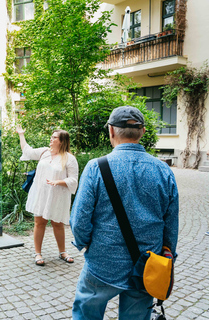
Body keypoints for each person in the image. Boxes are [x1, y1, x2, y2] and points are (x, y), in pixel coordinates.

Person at [70, 106, 179, 320]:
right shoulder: (163, 170)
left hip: (102, 262)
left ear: (111, 131)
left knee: (86, 314)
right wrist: (167, 257)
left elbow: (79, 220)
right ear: (143, 132)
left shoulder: (95, 167)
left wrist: (85, 244)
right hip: (147, 265)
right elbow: (171, 223)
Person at [16, 127, 79, 266]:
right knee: (39, 223)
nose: (51, 138)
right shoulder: (44, 152)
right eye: (52, 136)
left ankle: (63, 252)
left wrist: (59, 181)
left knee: (58, 223)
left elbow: (74, 180)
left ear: (62, 141)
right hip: (42, 194)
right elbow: (27, 150)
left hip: (58, 195)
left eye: (55, 137)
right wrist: (21, 134)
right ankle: (38, 253)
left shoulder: (70, 158)